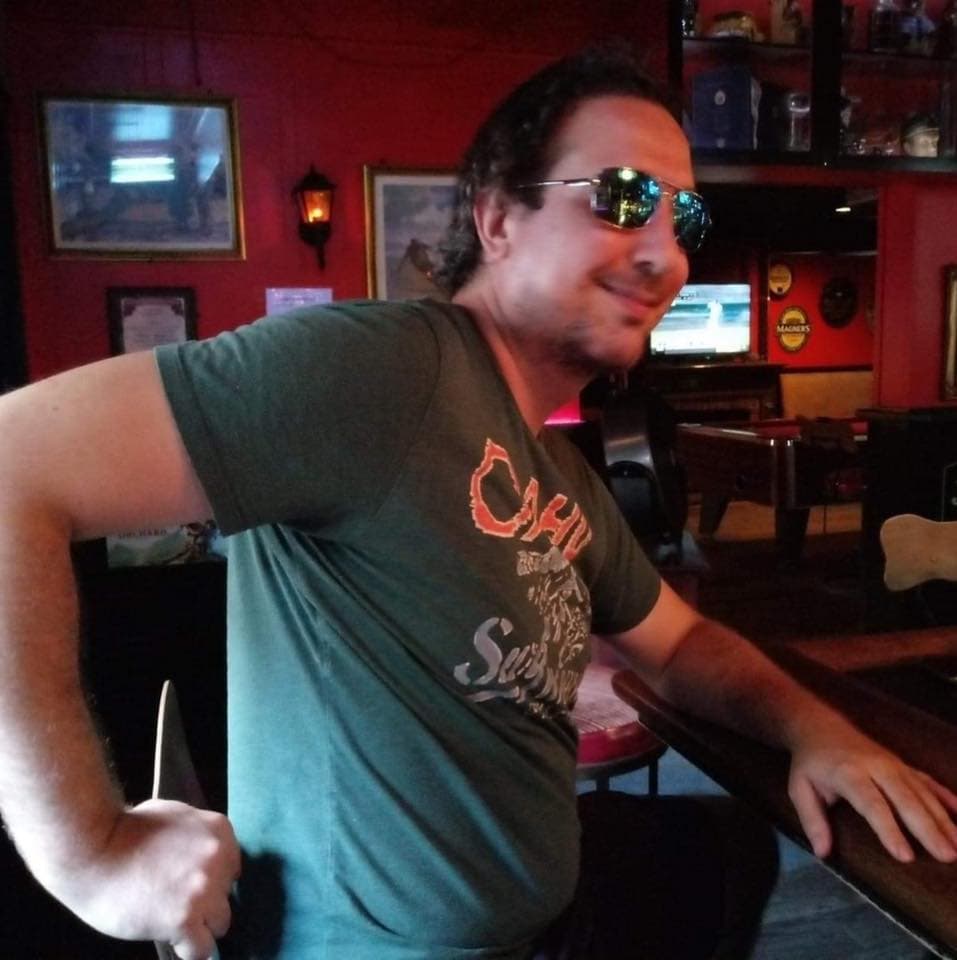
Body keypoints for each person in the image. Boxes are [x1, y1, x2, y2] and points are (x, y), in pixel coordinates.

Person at [0, 44, 955, 960]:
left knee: (726, 854)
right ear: (497, 219)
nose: (665, 255)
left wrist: (816, 731)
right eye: (624, 198)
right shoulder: (386, 367)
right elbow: (12, 462)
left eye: (685, 221)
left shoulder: (557, 473)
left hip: (541, 920)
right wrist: (91, 858)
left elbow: (680, 645)